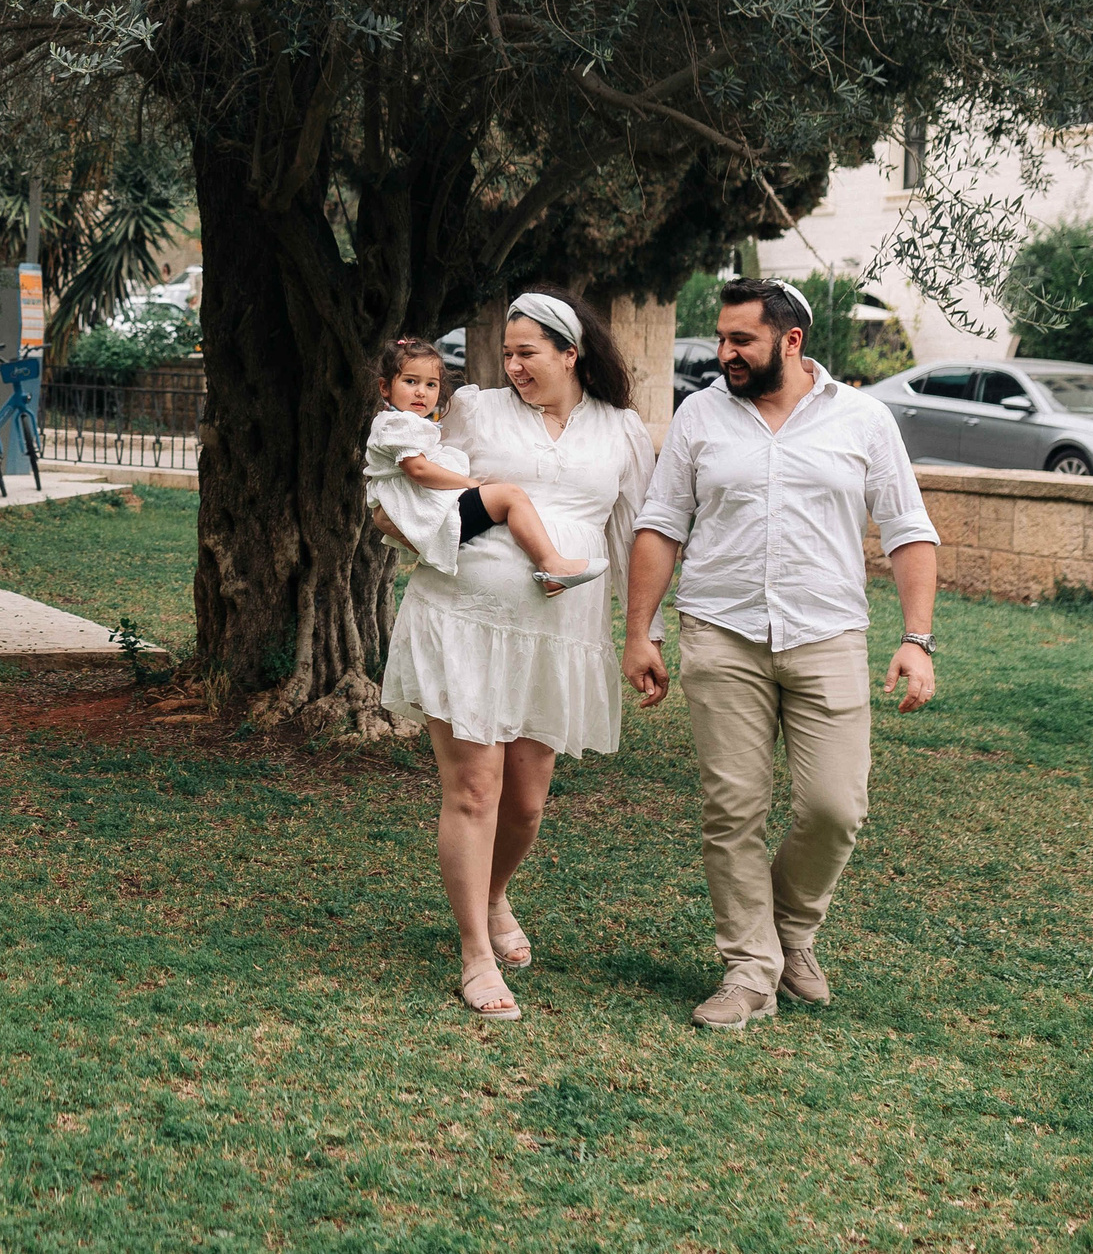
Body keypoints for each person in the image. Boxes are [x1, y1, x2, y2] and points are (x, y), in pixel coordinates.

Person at [624, 277, 940, 1031]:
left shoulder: (862, 418)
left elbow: (908, 529)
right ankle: (749, 968)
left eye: (742, 341)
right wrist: (641, 629)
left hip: (826, 634)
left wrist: (916, 638)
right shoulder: (701, 414)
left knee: (836, 806)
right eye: (723, 338)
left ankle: (789, 929)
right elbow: (662, 523)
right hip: (721, 630)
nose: (724, 353)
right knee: (732, 807)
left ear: (791, 342)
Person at [379, 291, 655, 1021]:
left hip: (561, 640)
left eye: (527, 352)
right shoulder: (473, 408)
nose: (513, 365)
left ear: (572, 351)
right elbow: (413, 491)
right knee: (475, 789)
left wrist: (640, 633)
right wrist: (402, 522)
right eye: (507, 352)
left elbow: (632, 539)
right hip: (466, 618)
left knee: (527, 802)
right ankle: (474, 950)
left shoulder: (623, 431)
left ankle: (496, 891)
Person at [366, 338, 610, 594]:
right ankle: (552, 564)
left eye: (431, 384)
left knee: (503, 497)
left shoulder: (404, 423)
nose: (421, 392)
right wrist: (468, 483)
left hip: (420, 509)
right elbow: (419, 470)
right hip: (422, 511)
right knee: (511, 495)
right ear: (385, 387)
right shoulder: (397, 424)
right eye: (410, 381)